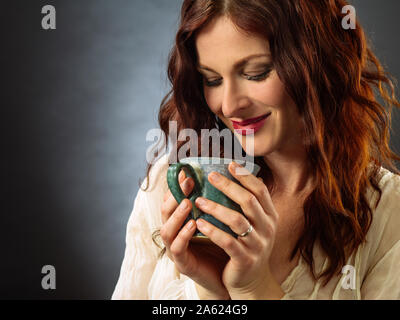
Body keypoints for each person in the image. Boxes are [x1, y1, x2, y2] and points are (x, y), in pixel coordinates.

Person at [112, 0, 400, 300]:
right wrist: (212, 291)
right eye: (212, 80)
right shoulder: (169, 188)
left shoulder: (388, 212)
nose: (229, 105)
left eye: (256, 73)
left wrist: (253, 288)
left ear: (320, 62)